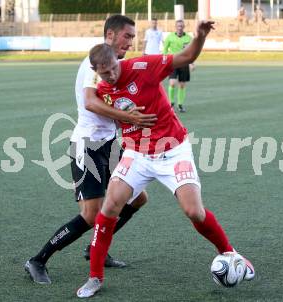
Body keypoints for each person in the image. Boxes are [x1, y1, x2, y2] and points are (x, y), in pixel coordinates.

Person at [76, 20, 255, 298]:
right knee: (109, 207)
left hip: (174, 150)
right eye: (104, 72)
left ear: (118, 59)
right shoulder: (101, 89)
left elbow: (186, 57)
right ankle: (95, 277)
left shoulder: (144, 67)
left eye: (113, 68)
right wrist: (127, 117)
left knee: (193, 211)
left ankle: (231, 254)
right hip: (137, 154)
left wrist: (200, 37)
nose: (111, 75)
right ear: (96, 71)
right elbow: (90, 101)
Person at [24, 15, 158, 285]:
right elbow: (89, 102)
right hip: (87, 146)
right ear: (110, 34)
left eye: (133, 37)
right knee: (91, 215)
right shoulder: (93, 63)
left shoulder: (114, 64)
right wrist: (129, 118)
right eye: (127, 36)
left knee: (138, 198)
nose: (131, 43)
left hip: (109, 145)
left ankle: (98, 247)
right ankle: (37, 260)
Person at [163, 20, 193, 113]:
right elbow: (164, 50)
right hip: (173, 62)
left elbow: (191, 52)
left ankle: (180, 105)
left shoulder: (188, 38)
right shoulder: (170, 37)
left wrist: (192, 63)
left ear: (184, 27)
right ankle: (171, 103)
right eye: (178, 26)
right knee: (172, 83)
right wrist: (164, 61)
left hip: (184, 63)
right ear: (175, 27)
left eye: (181, 26)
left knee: (182, 85)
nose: (180, 28)